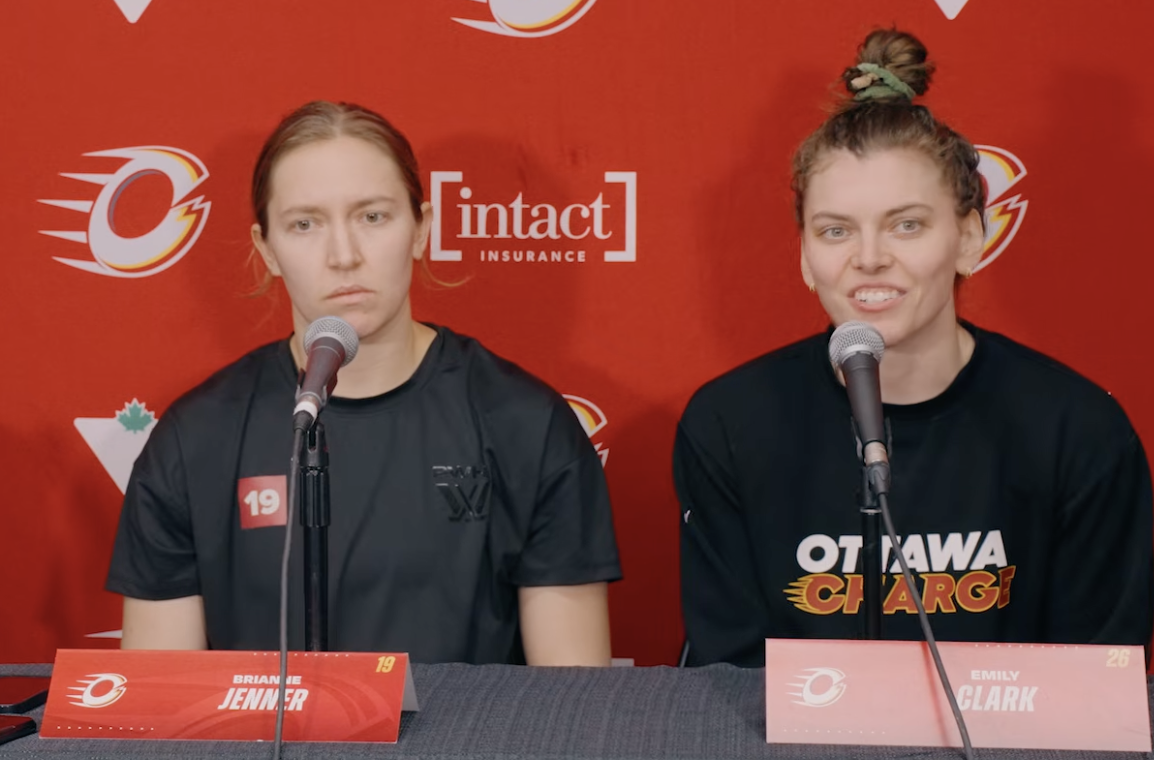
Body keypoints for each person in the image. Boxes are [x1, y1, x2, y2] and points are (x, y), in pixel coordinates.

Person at [675, 29, 1153, 667]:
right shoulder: (730, 423)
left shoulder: (1077, 429)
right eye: (836, 230)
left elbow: (1100, 682)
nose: (869, 258)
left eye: (907, 224)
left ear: (969, 239)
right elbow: (729, 680)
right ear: (806, 257)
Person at [106, 101, 621, 665]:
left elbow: (572, 702)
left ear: (421, 228)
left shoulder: (528, 424)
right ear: (267, 250)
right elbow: (156, 712)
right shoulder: (196, 438)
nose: (344, 256)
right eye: (305, 224)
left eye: (372, 217)